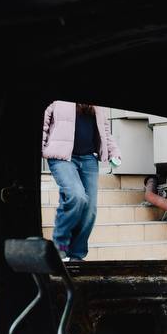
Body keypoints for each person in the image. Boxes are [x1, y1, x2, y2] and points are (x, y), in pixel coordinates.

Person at [42, 102, 122, 261]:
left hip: (88, 159)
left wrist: (114, 152)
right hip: (62, 158)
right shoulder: (57, 101)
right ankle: (60, 246)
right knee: (77, 196)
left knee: (90, 210)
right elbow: (43, 124)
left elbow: (105, 130)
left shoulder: (97, 106)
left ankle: (76, 256)